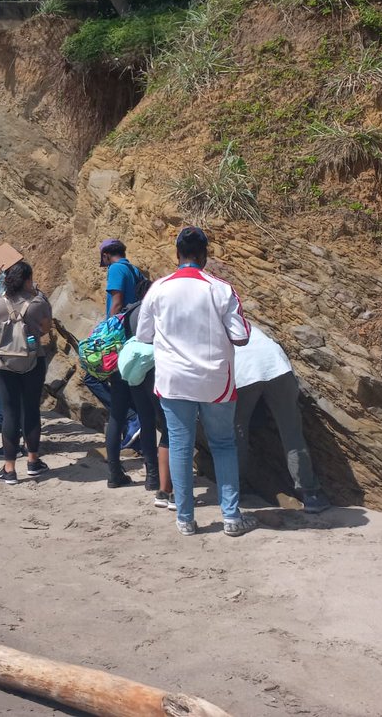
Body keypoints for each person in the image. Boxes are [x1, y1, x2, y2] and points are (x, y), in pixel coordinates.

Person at [135, 226, 257, 537]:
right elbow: (241, 337)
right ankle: (231, 517)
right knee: (223, 444)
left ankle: (185, 519)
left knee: (180, 445)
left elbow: (144, 336)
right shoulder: (221, 289)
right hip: (215, 381)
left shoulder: (158, 289)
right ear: (204, 256)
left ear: (177, 254)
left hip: (174, 380)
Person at [234, 325, 331, 513]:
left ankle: (235, 487)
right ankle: (311, 495)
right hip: (277, 367)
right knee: (291, 431)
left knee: (236, 432)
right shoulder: (247, 324)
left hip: (244, 373)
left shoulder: (210, 327)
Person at [0, 261, 52, 484]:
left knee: (10, 413)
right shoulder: (39, 303)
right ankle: (33, 461)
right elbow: (46, 329)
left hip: (3, 364)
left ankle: (9, 469)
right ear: (28, 280)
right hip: (33, 361)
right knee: (31, 410)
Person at [98, 239, 159, 490]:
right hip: (141, 353)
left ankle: (114, 473)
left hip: (123, 348)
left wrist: (108, 335)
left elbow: (116, 301)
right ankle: (152, 477)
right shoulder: (135, 270)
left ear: (106, 255)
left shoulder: (116, 268)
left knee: (117, 413)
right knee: (146, 414)